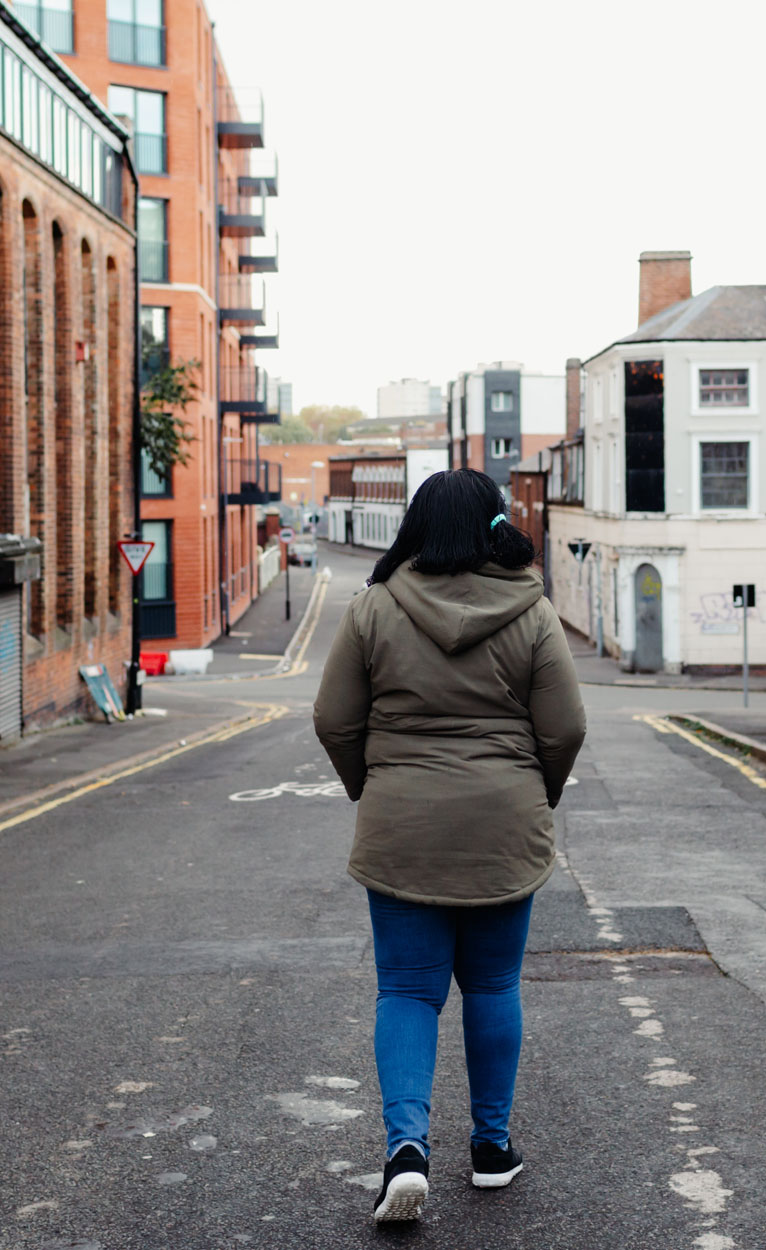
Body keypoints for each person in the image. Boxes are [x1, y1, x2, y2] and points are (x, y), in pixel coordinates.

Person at [313, 468, 586, 1223]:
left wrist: (373, 787)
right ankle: (491, 1149)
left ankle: (406, 1150)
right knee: (493, 986)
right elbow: (565, 728)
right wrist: (532, 794)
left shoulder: (373, 607)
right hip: (505, 824)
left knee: (407, 990)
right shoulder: (533, 612)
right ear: (492, 526)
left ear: (417, 526)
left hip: (402, 826)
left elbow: (333, 719)